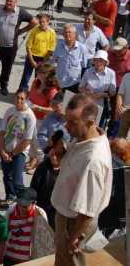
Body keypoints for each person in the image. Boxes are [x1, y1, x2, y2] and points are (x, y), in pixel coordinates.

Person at [51, 94, 113, 266]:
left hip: (74, 223)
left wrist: (74, 238)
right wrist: (63, 153)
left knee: (68, 262)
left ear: (90, 122)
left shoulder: (93, 160)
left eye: (72, 122)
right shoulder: (89, 136)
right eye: (67, 119)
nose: (66, 126)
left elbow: (86, 212)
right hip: (68, 218)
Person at [0, 0, 37, 96]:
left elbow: (34, 22)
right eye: (7, 0)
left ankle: (3, 85)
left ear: (16, 2)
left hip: (10, 47)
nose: (8, 3)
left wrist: (21, 31)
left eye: (11, 1)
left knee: (7, 68)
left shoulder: (21, 12)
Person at [0, 90, 36, 203]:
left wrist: (12, 154)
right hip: (6, 149)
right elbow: (2, 133)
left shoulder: (30, 117)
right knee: (6, 176)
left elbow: (27, 140)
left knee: (17, 180)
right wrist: (2, 150)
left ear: (26, 100)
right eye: (17, 97)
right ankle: (10, 197)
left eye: (22, 98)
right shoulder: (9, 111)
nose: (19, 100)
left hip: (19, 152)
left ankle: (24, 202)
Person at [30, 130, 68, 228]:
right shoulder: (43, 167)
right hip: (42, 209)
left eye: (58, 155)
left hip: (58, 213)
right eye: (52, 153)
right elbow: (33, 188)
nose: (54, 157)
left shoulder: (67, 171)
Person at [3, 187, 49, 265]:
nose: (21, 208)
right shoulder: (10, 212)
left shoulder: (40, 215)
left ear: (34, 203)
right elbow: (3, 233)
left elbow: (43, 240)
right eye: (19, 204)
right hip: (9, 256)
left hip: (27, 260)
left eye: (25, 206)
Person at [19, 13, 56, 91]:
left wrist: (43, 62)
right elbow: (28, 46)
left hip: (44, 58)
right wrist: (32, 61)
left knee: (40, 78)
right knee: (26, 77)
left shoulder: (52, 32)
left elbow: (51, 50)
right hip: (32, 56)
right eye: (40, 22)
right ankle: (22, 92)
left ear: (48, 22)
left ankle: (36, 94)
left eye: (44, 22)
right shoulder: (34, 30)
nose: (41, 24)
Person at [79, 50, 116, 127]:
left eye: (101, 61)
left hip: (103, 105)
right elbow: (80, 88)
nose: (98, 63)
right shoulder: (88, 71)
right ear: (94, 61)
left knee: (99, 127)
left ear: (105, 62)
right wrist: (87, 92)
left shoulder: (111, 73)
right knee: (86, 125)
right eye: (96, 60)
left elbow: (113, 92)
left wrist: (102, 95)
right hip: (88, 103)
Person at [51, 24, 88, 93]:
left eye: (69, 32)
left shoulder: (82, 48)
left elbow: (84, 66)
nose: (67, 34)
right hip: (59, 83)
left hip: (74, 84)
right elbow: (54, 60)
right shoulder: (58, 45)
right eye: (65, 32)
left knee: (69, 103)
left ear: (75, 34)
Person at [117, 72, 130, 137]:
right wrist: (119, 106)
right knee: (121, 136)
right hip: (125, 112)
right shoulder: (126, 76)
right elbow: (120, 94)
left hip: (126, 109)